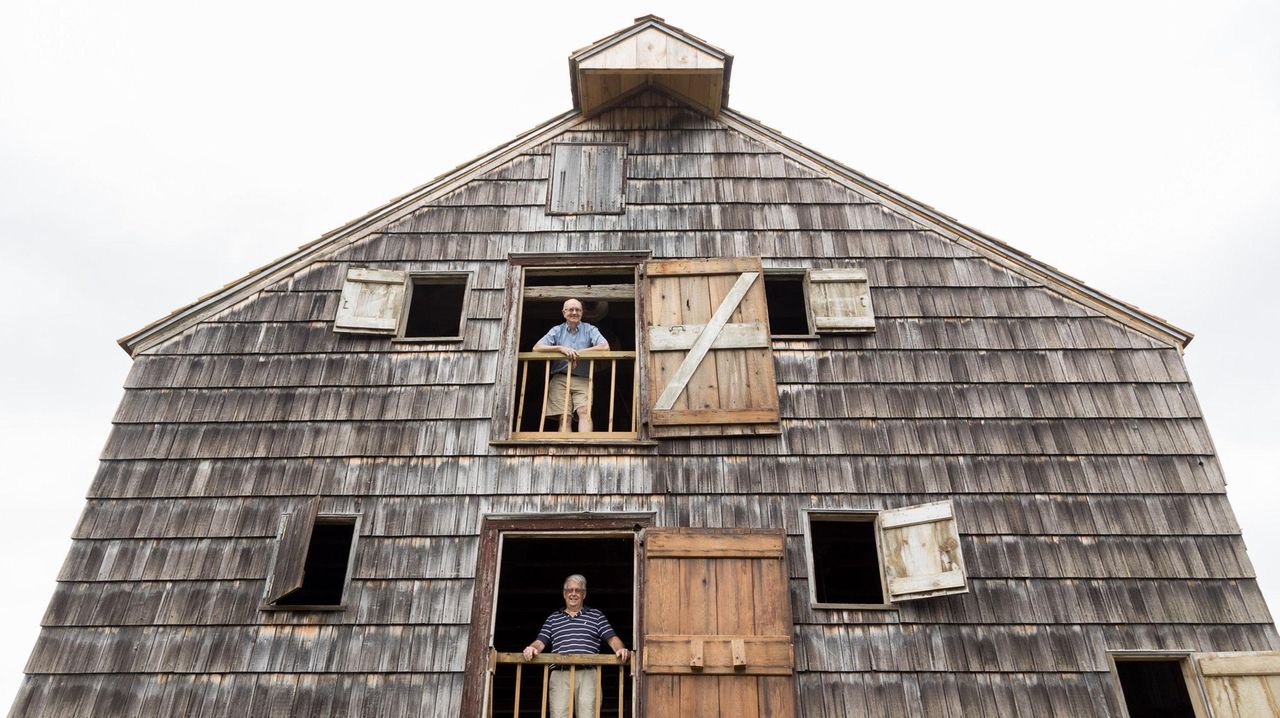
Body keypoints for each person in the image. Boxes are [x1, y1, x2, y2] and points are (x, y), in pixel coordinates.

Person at [522, 574, 630, 718]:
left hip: (588, 674)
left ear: (584, 594)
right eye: (569, 590)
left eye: (577, 590)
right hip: (560, 674)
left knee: (588, 715)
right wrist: (532, 648)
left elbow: (612, 639)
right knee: (559, 715)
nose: (573, 594)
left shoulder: (596, 616)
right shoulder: (553, 618)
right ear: (564, 593)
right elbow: (540, 642)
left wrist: (620, 649)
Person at [533, 298, 609, 431]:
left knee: (585, 412)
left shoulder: (590, 329)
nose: (575, 312)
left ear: (582, 313)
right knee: (564, 417)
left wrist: (578, 353)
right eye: (571, 309)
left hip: (583, 379)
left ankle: (585, 449)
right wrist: (560, 348)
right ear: (564, 313)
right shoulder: (556, 330)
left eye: (578, 310)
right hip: (560, 378)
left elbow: (605, 346)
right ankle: (564, 450)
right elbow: (537, 348)